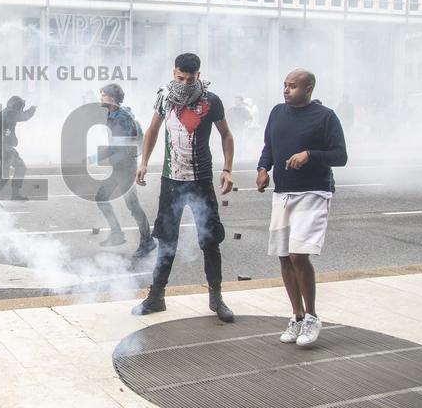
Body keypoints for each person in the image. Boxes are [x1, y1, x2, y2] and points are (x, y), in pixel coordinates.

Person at [132, 53, 236, 322]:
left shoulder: (211, 101)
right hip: (172, 181)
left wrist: (227, 169)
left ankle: (216, 298)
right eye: (180, 78)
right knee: (166, 241)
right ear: (174, 72)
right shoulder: (165, 99)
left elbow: (226, 135)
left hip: (201, 180)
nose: (184, 83)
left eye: (190, 79)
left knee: (210, 241)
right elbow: (152, 131)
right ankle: (156, 297)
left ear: (198, 75)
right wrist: (144, 162)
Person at [257, 69, 347, 348]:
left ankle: (312, 316)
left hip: (313, 191)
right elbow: (269, 146)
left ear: (308, 89)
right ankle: (296, 317)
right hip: (283, 192)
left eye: (293, 86)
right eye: (284, 85)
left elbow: (340, 156)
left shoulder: (326, 117)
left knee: (298, 254)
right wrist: (263, 168)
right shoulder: (277, 112)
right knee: (284, 256)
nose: (286, 90)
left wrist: (309, 154)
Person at [93, 84, 151, 249]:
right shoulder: (112, 114)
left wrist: (95, 157)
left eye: (103, 95)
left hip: (125, 168)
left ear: (112, 98)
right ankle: (117, 234)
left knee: (132, 206)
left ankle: (147, 241)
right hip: (119, 167)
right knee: (103, 198)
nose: (100, 98)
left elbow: (122, 147)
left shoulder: (122, 118)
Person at [0, 95, 37, 201]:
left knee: (19, 167)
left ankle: (13, 194)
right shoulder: (10, 112)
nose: (21, 108)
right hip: (5, 147)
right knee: (5, 175)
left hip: (3, 146)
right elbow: (24, 116)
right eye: (21, 106)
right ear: (17, 106)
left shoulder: (5, 111)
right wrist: (33, 108)